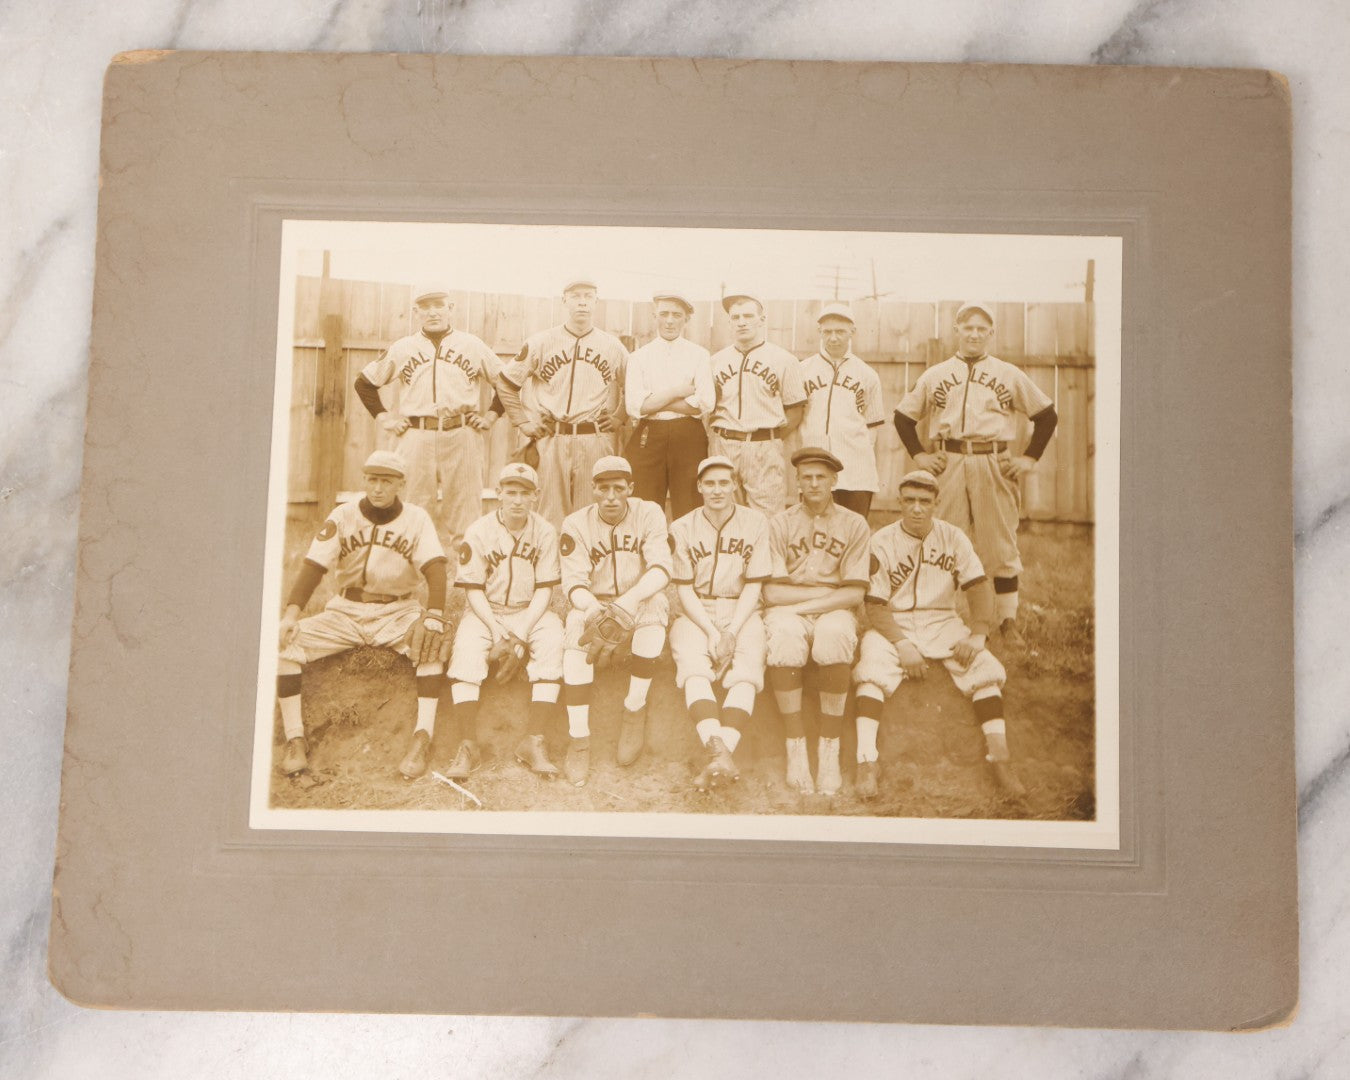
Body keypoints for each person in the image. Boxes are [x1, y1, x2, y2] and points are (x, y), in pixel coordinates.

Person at [852, 469, 1027, 799]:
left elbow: (977, 587)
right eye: (910, 501)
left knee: (985, 670)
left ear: (936, 503)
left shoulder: (954, 537)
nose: (917, 508)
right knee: (871, 670)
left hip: (943, 621)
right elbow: (874, 604)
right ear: (900, 503)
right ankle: (866, 761)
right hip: (894, 622)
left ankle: (1001, 761)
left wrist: (978, 634)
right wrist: (902, 644)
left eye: (924, 501)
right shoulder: (882, 541)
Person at [275, 450, 448, 780]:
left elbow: (436, 568)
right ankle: (295, 738)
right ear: (364, 479)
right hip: (346, 611)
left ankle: (422, 736)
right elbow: (313, 567)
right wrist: (290, 615)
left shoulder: (417, 518)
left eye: (386, 481)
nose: (378, 488)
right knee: (284, 644)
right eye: (372, 479)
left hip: (397, 610)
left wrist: (435, 615)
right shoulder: (343, 515)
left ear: (401, 484)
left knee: (431, 647)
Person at [893, 303, 1058, 646]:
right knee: (944, 538)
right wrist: (920, 456)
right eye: (968, 327)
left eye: (982, 329)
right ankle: (939, 615)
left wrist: (1028, 459)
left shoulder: (1008, 374)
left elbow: (1046, 416)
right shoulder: (936, 374)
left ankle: (1007, 622)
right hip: (949, 460)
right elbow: (903, 417)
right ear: (957, 330)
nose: (974, 334)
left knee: (999, 543)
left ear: (990, 333)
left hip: (992, 460)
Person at [353, 284, 500, 551]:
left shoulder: (471, 344)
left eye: (439, 305)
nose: (433, 312)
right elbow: (364, 383)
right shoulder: (404, 347)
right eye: (425, 307)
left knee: (466, 506)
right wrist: (384, 417)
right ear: (416, 312)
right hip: (417, 433)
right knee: (413, 503)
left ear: (450, 309)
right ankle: (412, 565)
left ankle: (467, 576)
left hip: (462, 431)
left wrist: (491, 415)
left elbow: (507, 382)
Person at [442, 462, 565, 779]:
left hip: (531, 610)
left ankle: (533, 740)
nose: (518, 500)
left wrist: (521, 635)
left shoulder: (546, 531)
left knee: (553, 640)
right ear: (498, 494)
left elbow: (544, 590)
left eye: (525, 493)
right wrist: (498, 632)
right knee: (467, 651)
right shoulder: (478, 531)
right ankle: (468, 743)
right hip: (487, 610)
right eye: (511, 492)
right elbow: (473, 590)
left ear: (536, 496)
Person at [558, 456, 672, 785]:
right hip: (594, 601)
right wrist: (596, 612)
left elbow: (661, 568)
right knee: (576, 630)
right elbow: (573, 583)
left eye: (618, 488)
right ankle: (579, 738)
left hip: (637, 597)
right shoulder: (575, 523)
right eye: (603, 488)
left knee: (656, 606)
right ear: (592, 489)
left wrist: (627, 605)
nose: (610, 496)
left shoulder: (649, 512)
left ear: (630, 489)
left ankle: (634, 708)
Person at [764, 447, 871, 796]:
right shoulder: (779, 523)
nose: (813, 483)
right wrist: (810, 603)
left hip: (833, 606)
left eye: (820, 477)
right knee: (783, 637)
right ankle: (796, 749)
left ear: (834, 481)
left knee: (836, 633)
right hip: (793, 605)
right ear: (797, 480)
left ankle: (829, 749)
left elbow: (854, 593)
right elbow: (772, 593)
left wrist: (812, 604)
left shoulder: (854, 523)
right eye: (806, 477)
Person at [668, 456, 773, 790]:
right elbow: (683, 588)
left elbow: (755, 585)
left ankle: (718, 754)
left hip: (742, 608)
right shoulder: (681, 527)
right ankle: (722, 753)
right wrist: (714, 632)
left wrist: (731, 630)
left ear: (735, 486)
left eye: (724, 483)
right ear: (699, 486)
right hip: (697, 610)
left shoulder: (756, 523)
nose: (716, 490)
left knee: (748, 668)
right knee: (692, 664)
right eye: (709, 483)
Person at [496, 277, 630, 523]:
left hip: (595, 437)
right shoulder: (541, 342)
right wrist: (523, 422)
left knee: (591, 514)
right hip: (552, 437)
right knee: (549, 513)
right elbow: (505, 382)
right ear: (564, 300)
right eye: (576, 296)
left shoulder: (613, 347)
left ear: (596, 301)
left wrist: (620, 416)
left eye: (588, 297)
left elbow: (634, 387)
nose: (582, 303)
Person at [707, 291, 806, 514]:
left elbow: (795, 411)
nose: (742, 322)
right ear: (730, 322)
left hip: (764, 444)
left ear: (762, 320)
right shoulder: (715, 362)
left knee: (767, 516)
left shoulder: (784, 360)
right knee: (723, 514)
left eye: (748, 316)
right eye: (736, 317)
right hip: (723, 443)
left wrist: (769, 439)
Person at [623, 292, 715, 518]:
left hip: (688, 434)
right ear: (655, 316)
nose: (670, 320)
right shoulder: (639, 357)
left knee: (690, 504)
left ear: (686, 319)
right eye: (664, 314)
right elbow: (636, 406)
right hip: (649, 433)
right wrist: (677, 392)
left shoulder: (699, 355)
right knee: (644, 505)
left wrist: (657, 401)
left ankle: (686, 552)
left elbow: (704, 403)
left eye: (677, 315)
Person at [798, 302, 887, 517]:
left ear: (852, 332)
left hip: (856, 470)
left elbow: (872, 426)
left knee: (853, 532)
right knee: (813, 532)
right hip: (815, 468)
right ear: (820, 332)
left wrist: (858, 455)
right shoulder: (802, 370)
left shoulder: (867, 374)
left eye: (840, 331)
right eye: (827, 332)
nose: (834, 337)